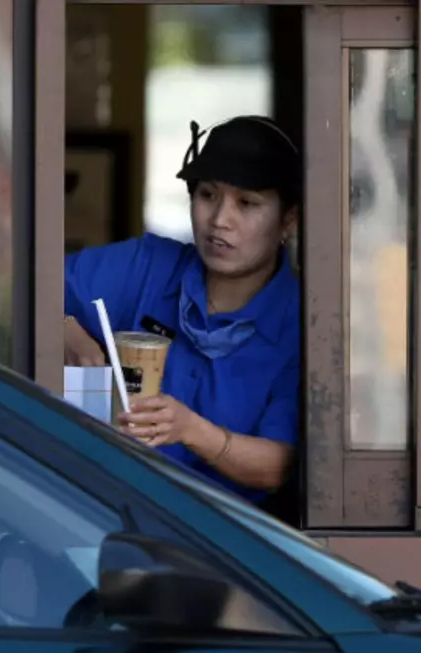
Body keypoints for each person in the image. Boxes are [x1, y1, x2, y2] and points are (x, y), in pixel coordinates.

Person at [64, 116, 301, 505]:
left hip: (220, 539)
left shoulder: (303, 323)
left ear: (287, 221)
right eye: (208, 195)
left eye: (247, 203)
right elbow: (19, 281)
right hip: (106, 510)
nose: (220, 220)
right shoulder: (148, 266)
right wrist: (61, 326)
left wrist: (191, 429)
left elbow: (278, 465)